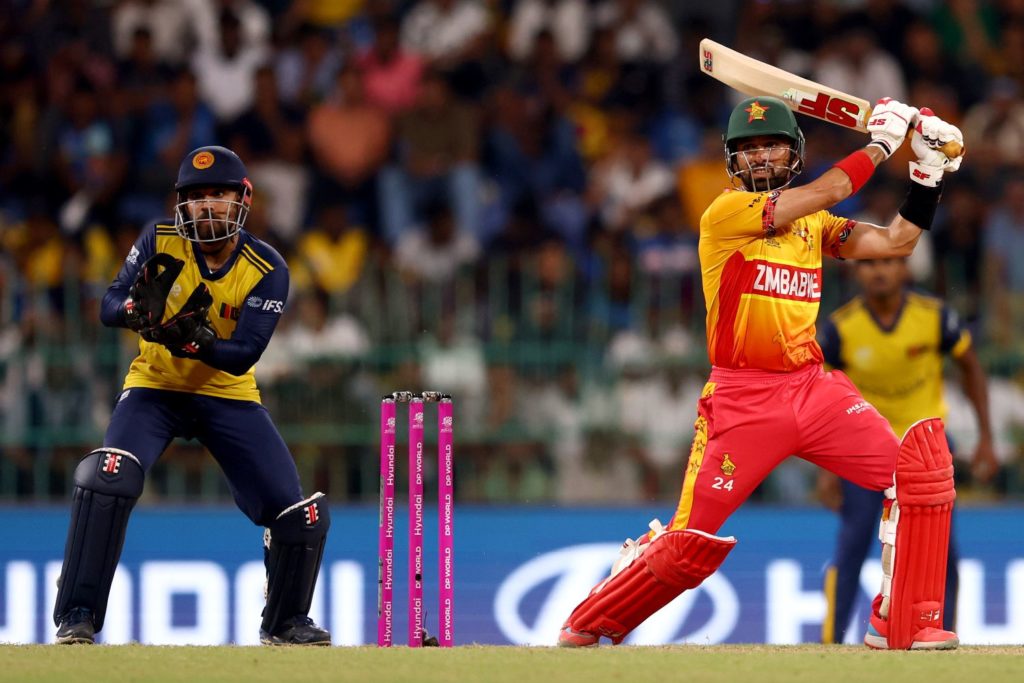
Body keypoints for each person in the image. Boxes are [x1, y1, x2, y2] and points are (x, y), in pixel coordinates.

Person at [557, 96, 966, 650]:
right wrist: (882, 144)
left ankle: (903, 622)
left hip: (813, 389)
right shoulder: (725, 213)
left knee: (918, 475)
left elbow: (896, 242)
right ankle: (589, 620)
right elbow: (833, 188)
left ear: (793, 152)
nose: (761, 156)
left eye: (772, 145)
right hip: (743, 400)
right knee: (687, 545)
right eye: (749, 148)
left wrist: (928, 174)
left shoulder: (814, 225)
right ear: (732, 160)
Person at [53, 146, 332, 646]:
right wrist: (135, 311)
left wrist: (196, 341)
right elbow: (109, 304)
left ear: (243, 199)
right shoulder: (159, 238)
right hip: (155, 387)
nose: (207, 205)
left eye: (219, 194)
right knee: (107, 477)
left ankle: (285, 622)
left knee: (299, 515)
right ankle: (77, 614)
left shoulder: (267, 266)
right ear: (181, 203)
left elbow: (243, 354)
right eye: (196, 196)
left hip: (227, 393)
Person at [817, 257, 997, 644]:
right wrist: (826, 466)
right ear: (855, 272)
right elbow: (822, 396)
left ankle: (939, 634)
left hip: (927, 449)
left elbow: (971, 368)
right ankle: (831, 642)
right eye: (868, 264)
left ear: (905, 269)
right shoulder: (840, 327)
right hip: (864, 450)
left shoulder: (934, 317)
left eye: (888, 262)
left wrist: (986, 437)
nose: (879, 271)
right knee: (853, 544)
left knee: (941, 553)